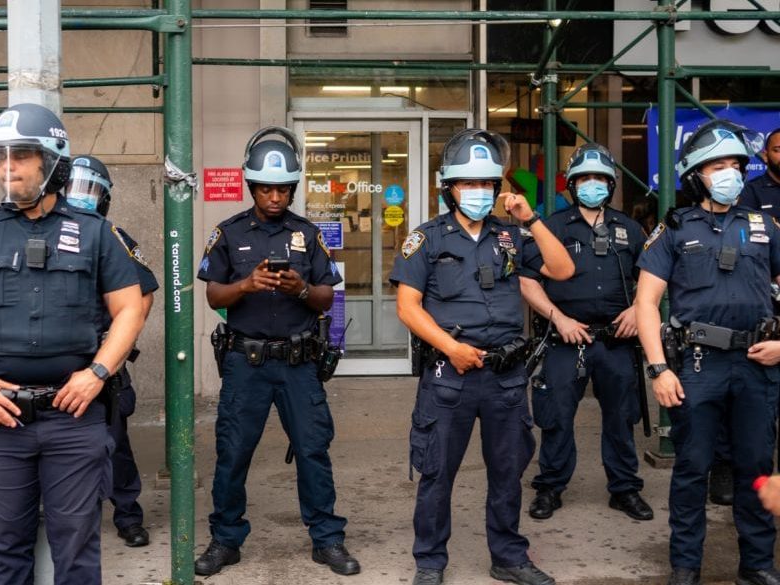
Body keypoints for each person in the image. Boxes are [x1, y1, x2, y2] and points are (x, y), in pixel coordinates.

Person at [0, 103, 145, 584]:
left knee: (77, 551)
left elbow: (131, 307)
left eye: (21, 156)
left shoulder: (94, 233)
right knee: (4, 549)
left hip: (74, 419)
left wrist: (97, 373)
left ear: (52, 162)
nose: (7, 167)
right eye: (1, 157)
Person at [390, 129, 573, 585]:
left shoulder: (512, 236)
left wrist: (532, 219)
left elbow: (562, 269)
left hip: (506, 378)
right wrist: (451, 347)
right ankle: (430, 562)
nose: (478, 192)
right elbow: (407, 307)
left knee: (508, 472)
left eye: (486, 184)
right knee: (436, 473)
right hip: (449, 375)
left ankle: (509, 556)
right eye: (468, 184)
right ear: (448, 187)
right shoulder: (426, 239)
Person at [195, 126, 359, 577]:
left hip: (298, 364)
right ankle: (226, 539)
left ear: (292, 189)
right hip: (245, 363)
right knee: (233, 452)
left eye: (283, 188)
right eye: (266, 188)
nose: (274, 197)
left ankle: (326, 539)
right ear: (252, 187)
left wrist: (300, 288)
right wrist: (247, 285)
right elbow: (213, 297)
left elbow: (327, 297)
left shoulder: (307, 234)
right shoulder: (228, 234)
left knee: (313, 450)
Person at [635, 119, 780, 585]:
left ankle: (757, 564)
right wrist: (658, 369)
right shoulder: (675, 229)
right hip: (696, 367)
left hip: (757, 365)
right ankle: (685, 565)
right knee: (693, 469)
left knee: (756, 466)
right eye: (718, 165)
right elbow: (645, 303)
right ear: (697, 174)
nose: (731, 172)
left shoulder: (765, 226)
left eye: (736, 164)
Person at [520, 143, 652, 523]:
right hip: (566, 340)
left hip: (616, 340)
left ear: (610, 186)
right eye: (584, 179)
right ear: (572, 184)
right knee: (556, 416)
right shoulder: (553, 228)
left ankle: (625, 489)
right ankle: (550, 487)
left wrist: (636, 309)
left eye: (599, 179)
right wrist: (557, 317)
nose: (592, 184)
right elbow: (528, 282)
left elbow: (651, 279)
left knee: (621, 418)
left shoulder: (629, 228)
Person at [66, 155, 157, 548]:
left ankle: (127, 515)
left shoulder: (113, 235)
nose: (81, 198)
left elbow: (145, 292)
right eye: (74, 188)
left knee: (115, 443)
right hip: (58, 360)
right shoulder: (48, 230)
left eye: (91, 191)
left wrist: (119, 343)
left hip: (103, 363)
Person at [710, 127, 780, 507]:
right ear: (766, 154)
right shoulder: (752, 197)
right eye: (778, 148)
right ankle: (726, 468)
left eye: (734, 165)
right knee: (738, 404)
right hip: (755, 308)